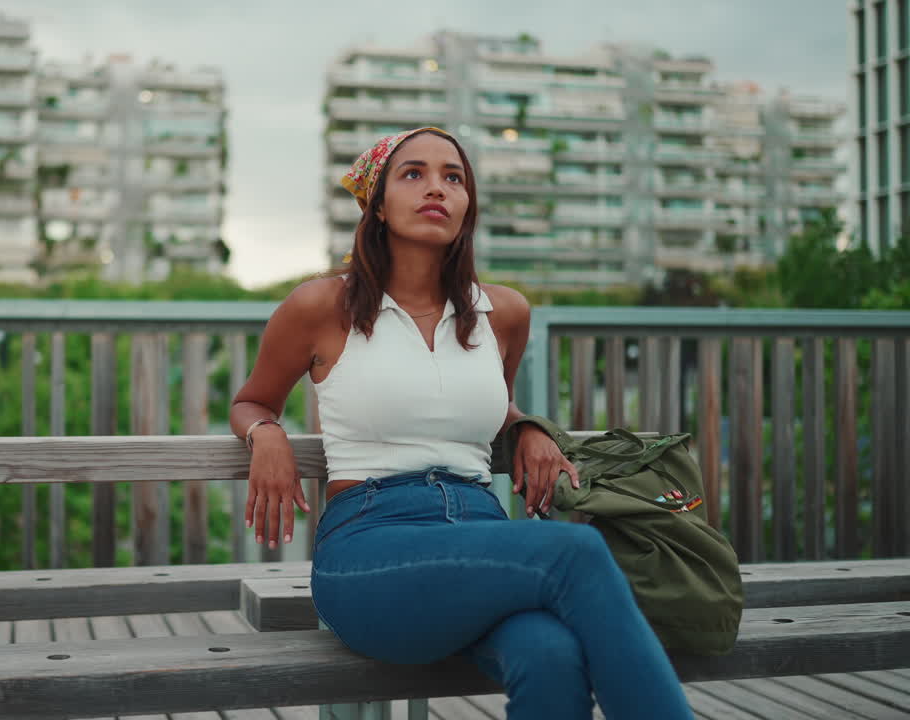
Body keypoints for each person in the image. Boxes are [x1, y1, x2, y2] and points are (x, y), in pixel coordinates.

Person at [229, 127, 694, 719]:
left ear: (468, 206)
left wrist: (527, 426)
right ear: (376, 203)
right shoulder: (323, 307)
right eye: (413, 174)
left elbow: (489, 403)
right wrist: (264, 432)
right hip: (373, 546)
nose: (437, 188)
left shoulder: (503, 314)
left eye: (454, 177)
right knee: (574, 552)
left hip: (479, 529)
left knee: (550, 654)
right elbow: (252, 399)